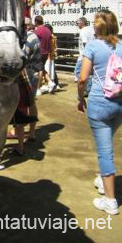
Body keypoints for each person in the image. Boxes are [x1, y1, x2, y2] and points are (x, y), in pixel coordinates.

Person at [77, 11, 122, 215]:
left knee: (105, 151)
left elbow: (82, 78)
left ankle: (110, 200)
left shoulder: (93, 46)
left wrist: (80, 98)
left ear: (97, 27)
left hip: (99, 101)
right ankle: (104, 181)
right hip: (119, 102)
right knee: (108, 143)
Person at [34, 15, 55, 95]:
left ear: (36, 22)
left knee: (39, 70)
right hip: (46, 52)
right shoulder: (47, 30)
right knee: (41, 68)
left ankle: (38, 88)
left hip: (40, 52)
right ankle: (50, 82)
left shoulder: (38, 31)